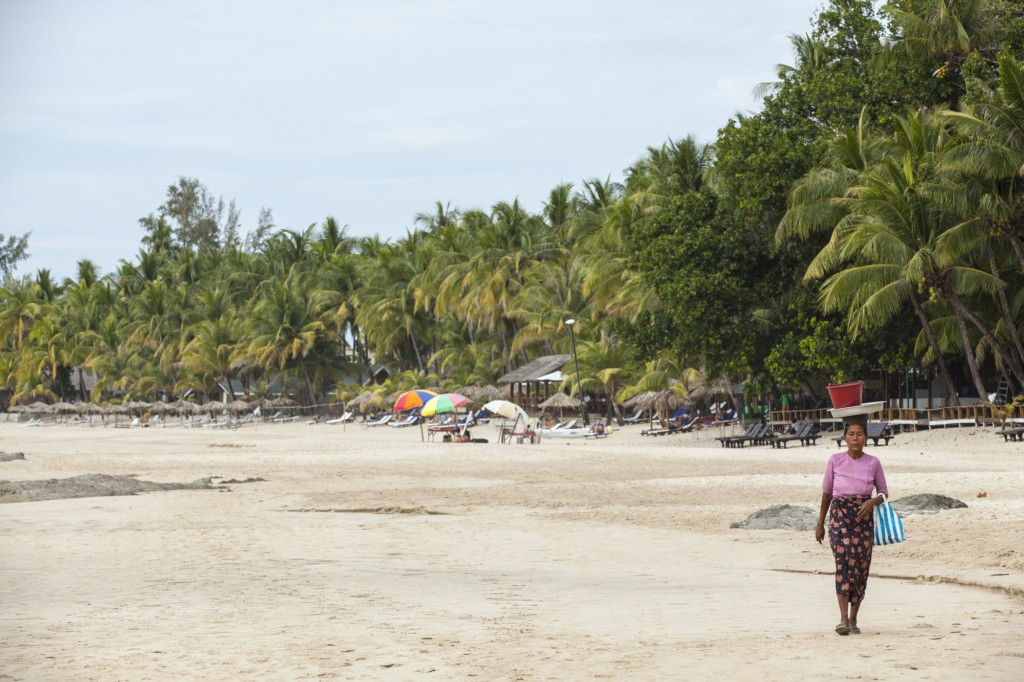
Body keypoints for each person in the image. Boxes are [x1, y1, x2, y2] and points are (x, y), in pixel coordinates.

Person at [815, 416, 889, 636]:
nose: (855, 438)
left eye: (859, 434)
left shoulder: (873, 463)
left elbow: (884, 494)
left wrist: (872, 501)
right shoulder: (835, 461)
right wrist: (821, 523)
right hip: (839, 517)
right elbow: (827, 493)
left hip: (863, 518)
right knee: (843, 564)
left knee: (860, 568)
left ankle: (854, 618)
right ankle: (843, 619)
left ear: (866, 438)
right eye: (851, 434)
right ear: (844, 438)